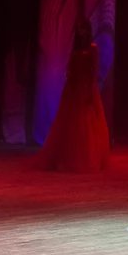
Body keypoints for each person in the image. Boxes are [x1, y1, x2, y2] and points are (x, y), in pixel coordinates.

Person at [35, 19, 110, 173]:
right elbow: (70, 65)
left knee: (85, 122)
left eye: (82, 28)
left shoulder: (93, 48)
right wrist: (68, 72)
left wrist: (91, 87)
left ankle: (86, 157)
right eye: (77, 29)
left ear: (87, 30)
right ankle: (67, 157)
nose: (79, 31)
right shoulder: (75, 48)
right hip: (73, 86)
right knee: (70, 122)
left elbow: (94, 70)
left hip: (85, 86)